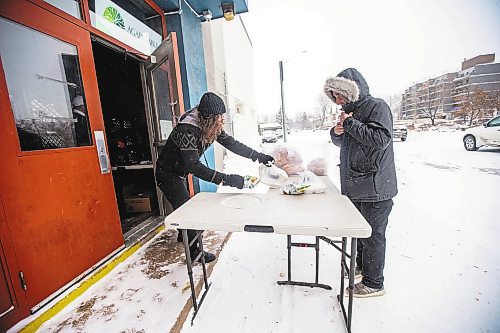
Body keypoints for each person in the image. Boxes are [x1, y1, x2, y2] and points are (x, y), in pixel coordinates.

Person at [155, 92, 274, 263]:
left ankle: (185, 234)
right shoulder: (187, 130)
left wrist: (258, 156)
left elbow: (232, 144)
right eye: (218, 117)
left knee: (184, 208)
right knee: (189, 213)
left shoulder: (210, 125)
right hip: (167, 173)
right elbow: (194, 166)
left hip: (178, 172)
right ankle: (195, 254)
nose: (221, 120)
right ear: (208, 117)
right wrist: (230, 179)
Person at [324, 68, 398, 298]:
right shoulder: (351, 112)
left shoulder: (377, 106)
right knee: (359, 233)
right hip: (357, 187)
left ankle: (374, 283)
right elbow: (347, 144)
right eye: (334, 95)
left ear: (352, 90)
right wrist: (337, 132)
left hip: (375, 188)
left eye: (340, 94)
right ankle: (360, 267)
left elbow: (380, 139)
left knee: (373, 236)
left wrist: (349, 125)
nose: (337, 100)